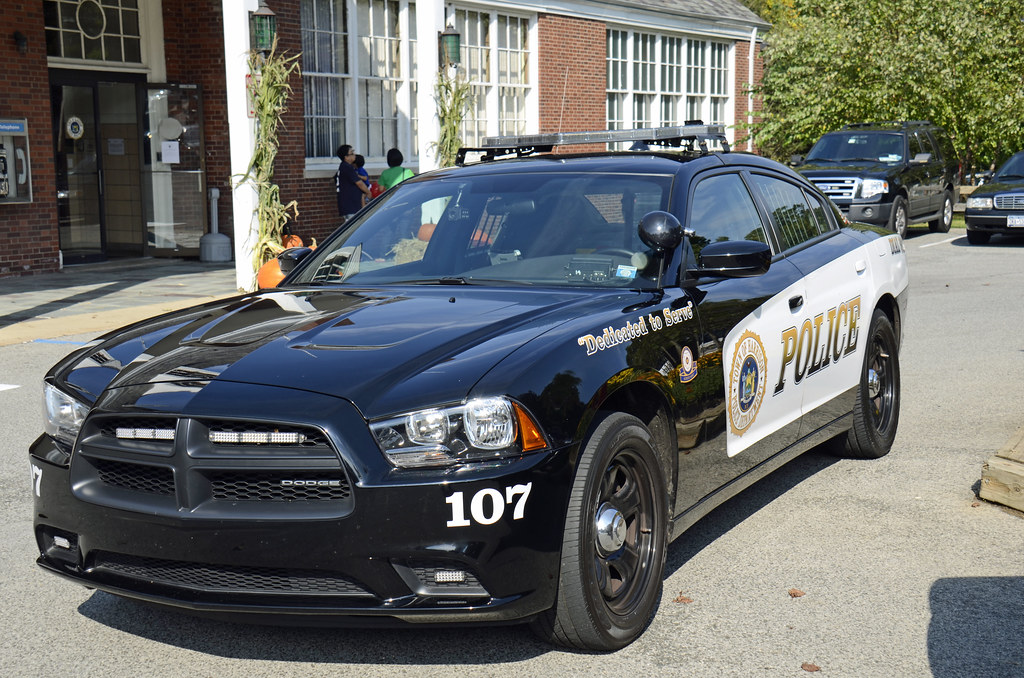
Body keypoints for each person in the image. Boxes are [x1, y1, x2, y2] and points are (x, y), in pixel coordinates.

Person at [335, 144, 371, 221]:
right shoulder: (347, 167)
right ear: (346, 157)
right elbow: (359, 183)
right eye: (352, 153)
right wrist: (368, 192)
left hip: (350, 205)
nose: (354, 154)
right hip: (351, 206)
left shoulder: (344, 167)